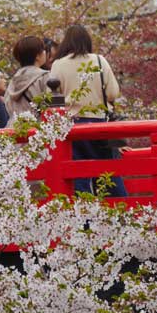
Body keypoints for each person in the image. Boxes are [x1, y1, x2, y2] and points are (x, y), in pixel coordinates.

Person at [50, 25, 127, 197]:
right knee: (109, 173)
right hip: (98, 123)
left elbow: (52, 99)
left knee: (78, 177)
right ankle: (121, 213)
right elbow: (113, 93)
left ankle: (83, 219)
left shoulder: (58, 65)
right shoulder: (99, 60)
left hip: (71, 127)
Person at [6, 36, 52, 118]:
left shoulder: (13, 81)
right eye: (43, 49)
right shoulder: (44, 77)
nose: (45, 52)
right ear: (37, 56)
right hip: (36, 127)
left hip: (15, 127)